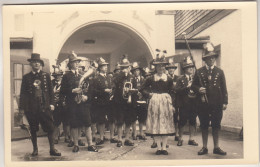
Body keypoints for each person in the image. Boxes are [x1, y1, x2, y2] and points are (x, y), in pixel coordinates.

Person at [19, 53, 61, 156]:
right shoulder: (26, 77)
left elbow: (51, 92)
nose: (36, 64)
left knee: (50, 128)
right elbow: (23, 94)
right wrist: (22, 109)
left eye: (38, 62)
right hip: (31, 108)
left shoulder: (46, 76)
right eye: (34, 62)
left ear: (40, 64)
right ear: (31, 64)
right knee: (33, 129)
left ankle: (52, 149)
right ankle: (35, 149)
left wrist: (52, 104)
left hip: (45, 107)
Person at [191, 42, 228, 155]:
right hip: (203, 104)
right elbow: (193, 85)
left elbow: (224, 88)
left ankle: (216, 147)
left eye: (213, 58)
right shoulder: (199, 72)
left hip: (217, 103)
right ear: (205, 59)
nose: (211, 60)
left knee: (216, 125)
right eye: (209, 58)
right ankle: (204, 147)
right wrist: (199, 89)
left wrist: (225, 102)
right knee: (204, 125)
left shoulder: (219, 71)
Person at [60, 52, 98, 153]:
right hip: (72, 103)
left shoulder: (82, 75)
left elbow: (89, 89)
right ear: (70, 64)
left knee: (87, 123)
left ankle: (90, 144)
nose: (76, 64)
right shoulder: (66, 76)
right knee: (74, 124)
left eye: (77, 62)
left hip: (83, 103)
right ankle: (76, 144)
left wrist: (86, 96)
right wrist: (72, 91)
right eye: (74, 62)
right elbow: (62, 90)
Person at [141, 49, 175, 155]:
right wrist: (149, 94)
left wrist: (172, 104)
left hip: (165, 103)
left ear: (165, 67)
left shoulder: (168, 79)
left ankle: (164, 147)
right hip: (155, 102)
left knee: (164, 124)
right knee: (156, 123)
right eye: (159, 66)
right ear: (155, 67)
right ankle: (158, 148)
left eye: (163, 66)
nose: (161, 68)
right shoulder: (151, 79)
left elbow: (173, 91)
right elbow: (142, 89)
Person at [92, 57, 117, 145]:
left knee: (112, 119)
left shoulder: (110, 78)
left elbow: (114, 87)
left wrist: (112, 93)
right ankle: (101, 137)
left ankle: (112, 137)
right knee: (101, 120)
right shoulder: (96, 78)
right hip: (101, 102)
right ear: (99, 68)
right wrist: (103, 91)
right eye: (103, 66)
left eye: (106, 66)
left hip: (110, 102)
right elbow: (93, 91)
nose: (106, 67)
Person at [113, 54, 136, 147]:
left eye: (126, 67)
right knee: (120, 121)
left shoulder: (132, 77)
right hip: (119, 102)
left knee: (128, 121)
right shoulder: (118, 76)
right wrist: (123, 74)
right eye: (123, 67)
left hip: (129, 102)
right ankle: (119, 139)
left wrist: (131, 91)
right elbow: (115, 83)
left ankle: (127, 138)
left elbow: (135, 87)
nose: (125, 68)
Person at [175, 57, 198, 147]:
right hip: (184, 103)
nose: (191, 69)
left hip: (194, 103)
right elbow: (177, 90)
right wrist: (187, 87)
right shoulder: (180, 79)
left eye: (192, 67)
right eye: (189, 67)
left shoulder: (196, 78)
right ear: (185, 69)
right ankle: (180, 138)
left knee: (193, 121)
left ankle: (191, 139)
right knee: (182, 121)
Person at [131, 62, 147, 140]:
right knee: (133, 118)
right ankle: (134, 133)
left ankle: (141, 132)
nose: (136, 72)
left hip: (142, 100)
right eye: (134, 71)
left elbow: (146, 88)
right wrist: (136, 91)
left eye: (137, 70)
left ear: (139, 71)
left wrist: (142, 93)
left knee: (142, 118)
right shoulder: (131, 80)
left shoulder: (144, 79)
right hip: (134, 100)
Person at [165, 58, 180, 142]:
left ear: (174, 69)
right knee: (166, 116)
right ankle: (166, 134)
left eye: (172, 68)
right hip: (167, 98)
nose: (171, 69)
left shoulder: (178, 78)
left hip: (176, 98)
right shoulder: (165, 78)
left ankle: (176, 133)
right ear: (167, 70)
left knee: (176, 116)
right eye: (169, 68)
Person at [51, 68, 64, 144]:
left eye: (58, 75)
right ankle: (55, 137)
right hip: (54, 104)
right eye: (55, 76)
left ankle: (67, 137)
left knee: (66, 121)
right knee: (56, 120)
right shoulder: (51, 83)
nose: (57, 77)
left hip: (62, 103)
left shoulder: (64, 83)